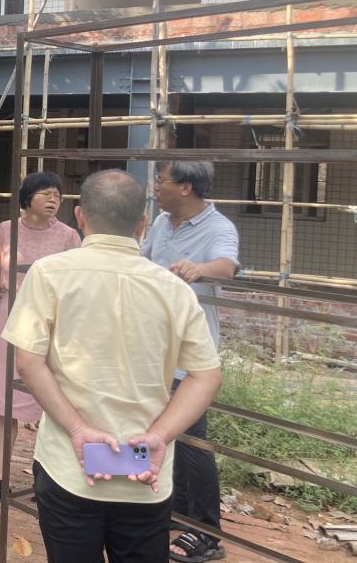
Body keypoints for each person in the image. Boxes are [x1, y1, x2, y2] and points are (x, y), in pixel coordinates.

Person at [2, 169, 223, 563]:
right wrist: (159, 436)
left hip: (69, 468)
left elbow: (29, 362)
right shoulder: (174, 290)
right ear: (142, 223)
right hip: (144, 471)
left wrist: (77, 429)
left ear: (79, 216)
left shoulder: (49, 274)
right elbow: (206, 376)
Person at [0, 171, 80, 503]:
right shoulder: (6, 229)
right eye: (46, 193)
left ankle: (50, 479)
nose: (53, 199)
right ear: (28, 198)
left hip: (52, 322)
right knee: (5, 399)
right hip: (11, 316)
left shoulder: (69, 236)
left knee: (53, 400)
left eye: (57, 194)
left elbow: (77, 285)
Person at [144, 161, 239, 563]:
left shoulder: (219, 227)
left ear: (185, 187)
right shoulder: (160, 224)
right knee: (166, 435)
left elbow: (227, 266)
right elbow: (142, 261)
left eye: (161, 180)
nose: (156, 187)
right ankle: (172, 509)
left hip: (190, 358)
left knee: (193, 442)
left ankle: (206, 532)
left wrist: (199, 269)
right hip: (153, 351)